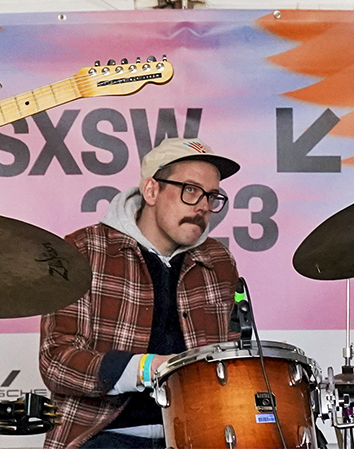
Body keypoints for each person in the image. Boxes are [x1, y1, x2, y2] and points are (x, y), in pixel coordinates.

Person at [39, 138, 242, 449]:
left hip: (200, 435)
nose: (203, 206)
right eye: (190, 190)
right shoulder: (83, 251)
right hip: (101, 435)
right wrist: (146, 369)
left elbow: (233, 356)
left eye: (212, 196)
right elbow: (57, 363)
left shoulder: (218, 260)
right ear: (151, 191)